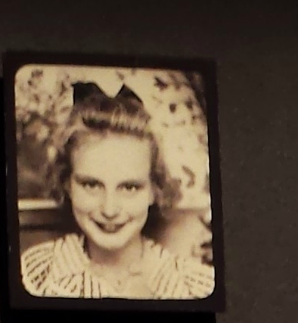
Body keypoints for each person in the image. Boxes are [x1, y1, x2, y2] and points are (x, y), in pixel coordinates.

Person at [18, 81, 216, 301]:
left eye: (129, 187)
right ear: (67, 184)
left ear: (154, 189)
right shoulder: (34, 274)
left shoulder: (199, 287)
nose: (109, 209)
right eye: (91, 185)